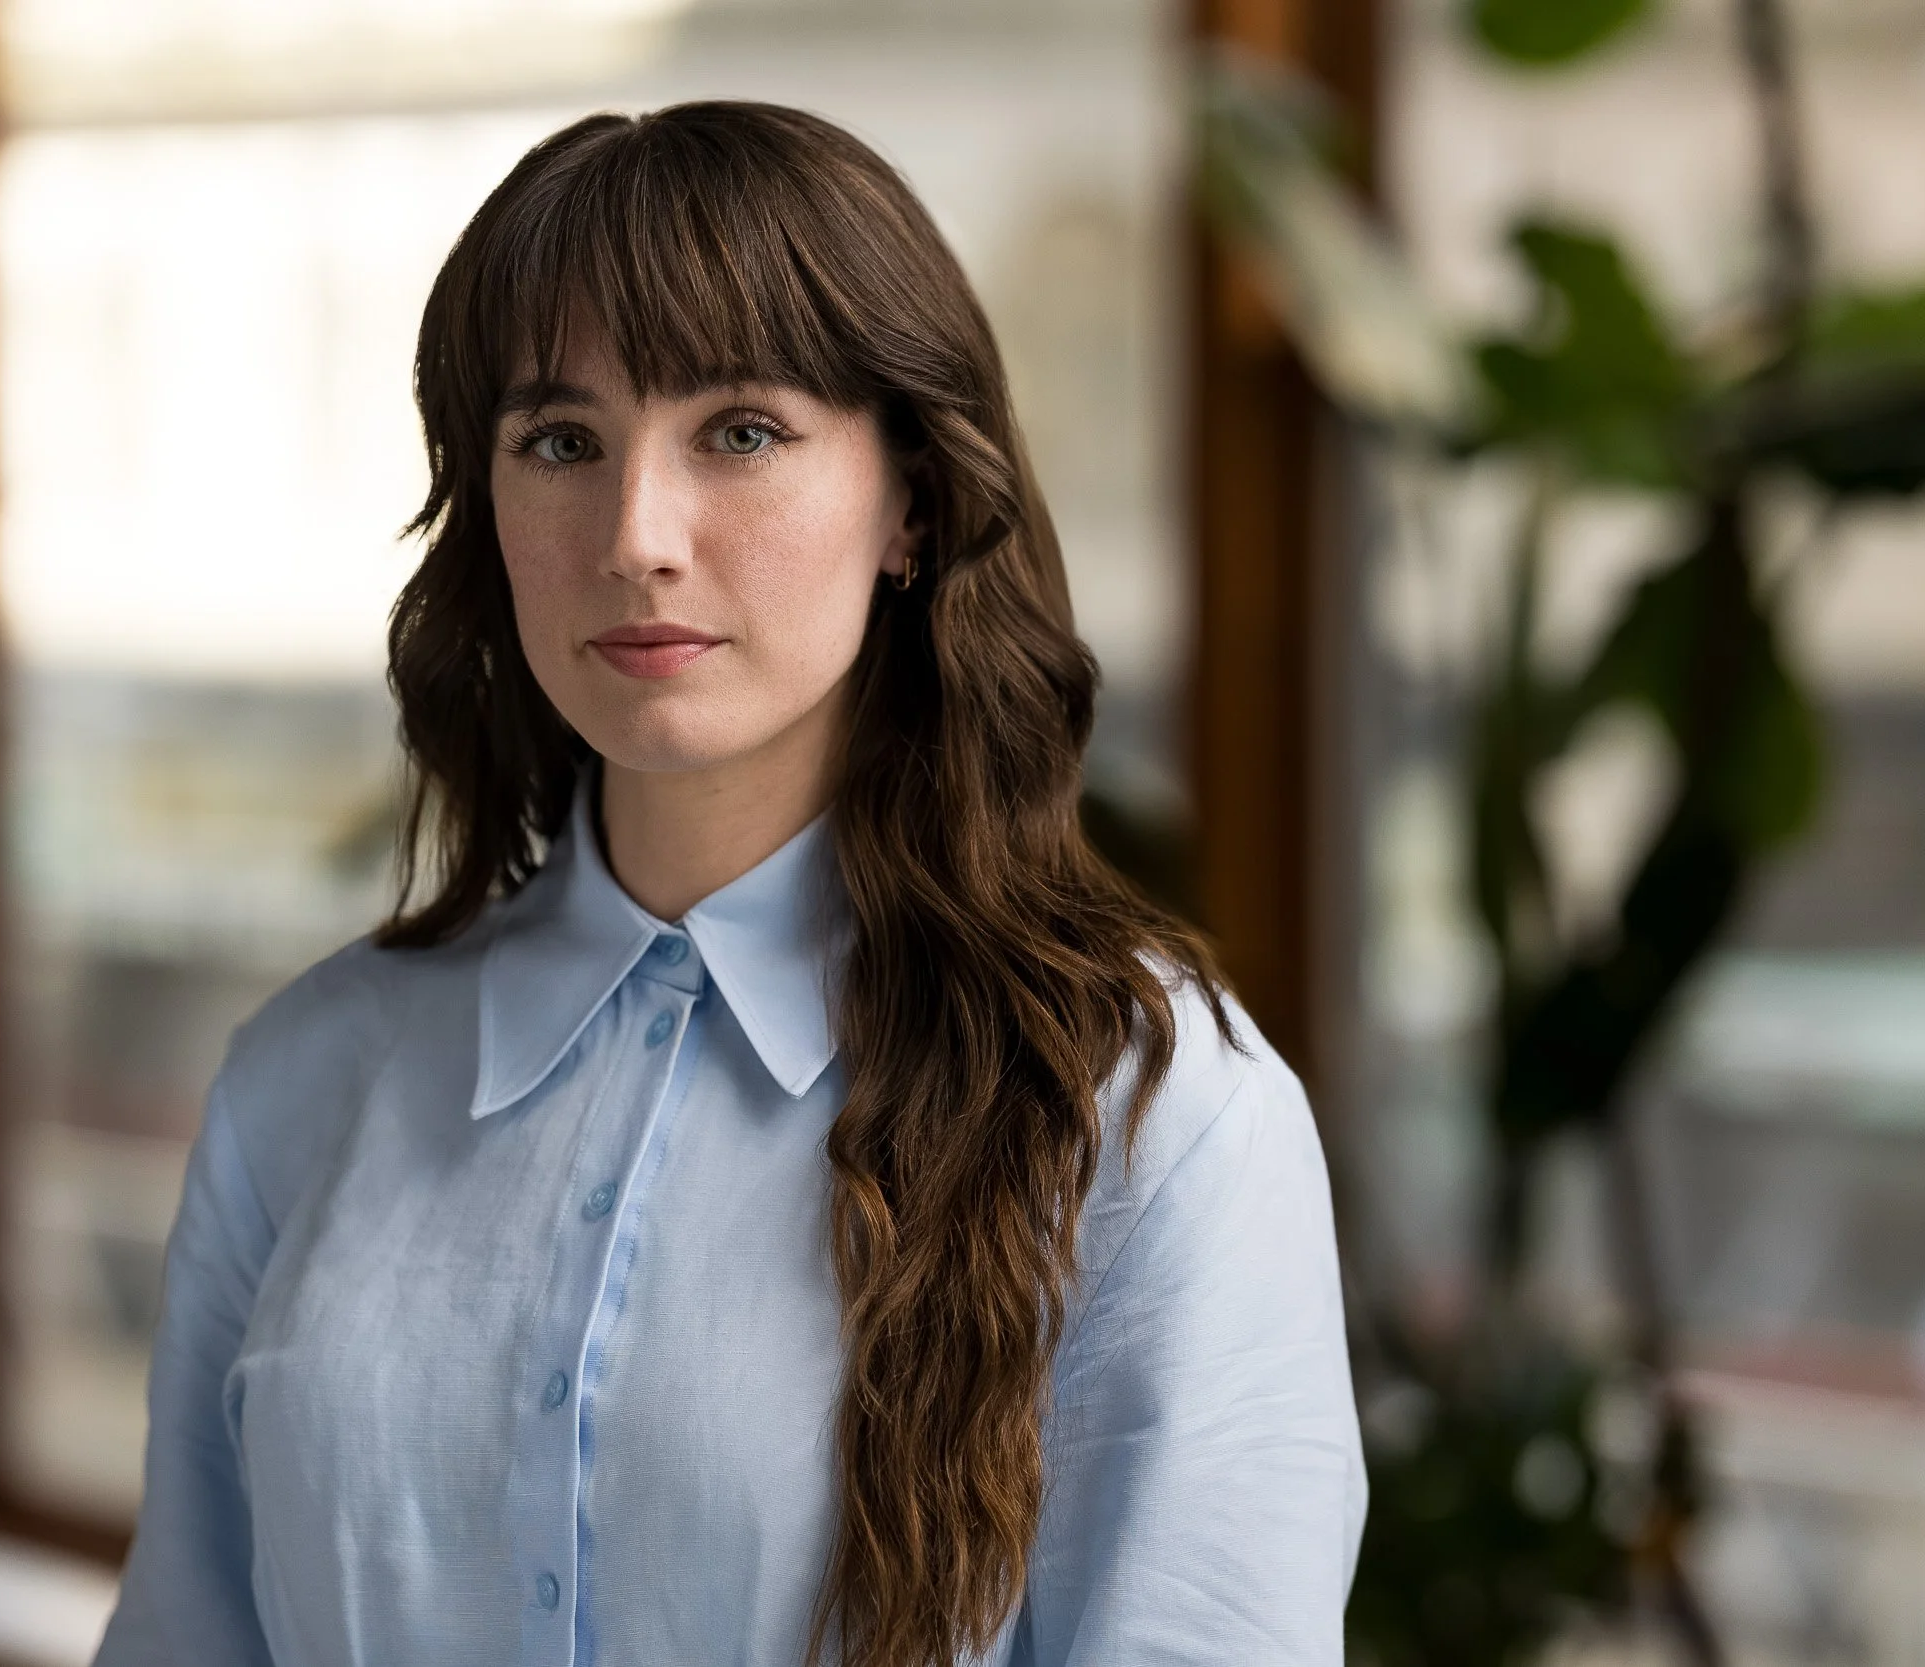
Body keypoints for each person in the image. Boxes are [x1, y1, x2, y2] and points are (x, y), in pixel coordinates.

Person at [93, 101, 1364, 1667]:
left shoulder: (1150, 1120)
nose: (637, 534)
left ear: (910, 496)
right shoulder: (305, 1083)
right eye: (560, 442)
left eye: (741, 432)